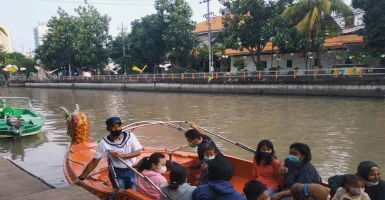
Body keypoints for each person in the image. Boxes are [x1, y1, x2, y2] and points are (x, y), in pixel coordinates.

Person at [78, 117, 142, 190]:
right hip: (116, 172)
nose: (117, 129)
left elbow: (138, 152)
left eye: (119, 126)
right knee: (120, 192)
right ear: (108, 129)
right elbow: (94, 162)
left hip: (130, 169)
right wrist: (81, 177)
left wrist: (123, 156)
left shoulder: (130, 136)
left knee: (132, 191)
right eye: (113, 127)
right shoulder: (104, 143)